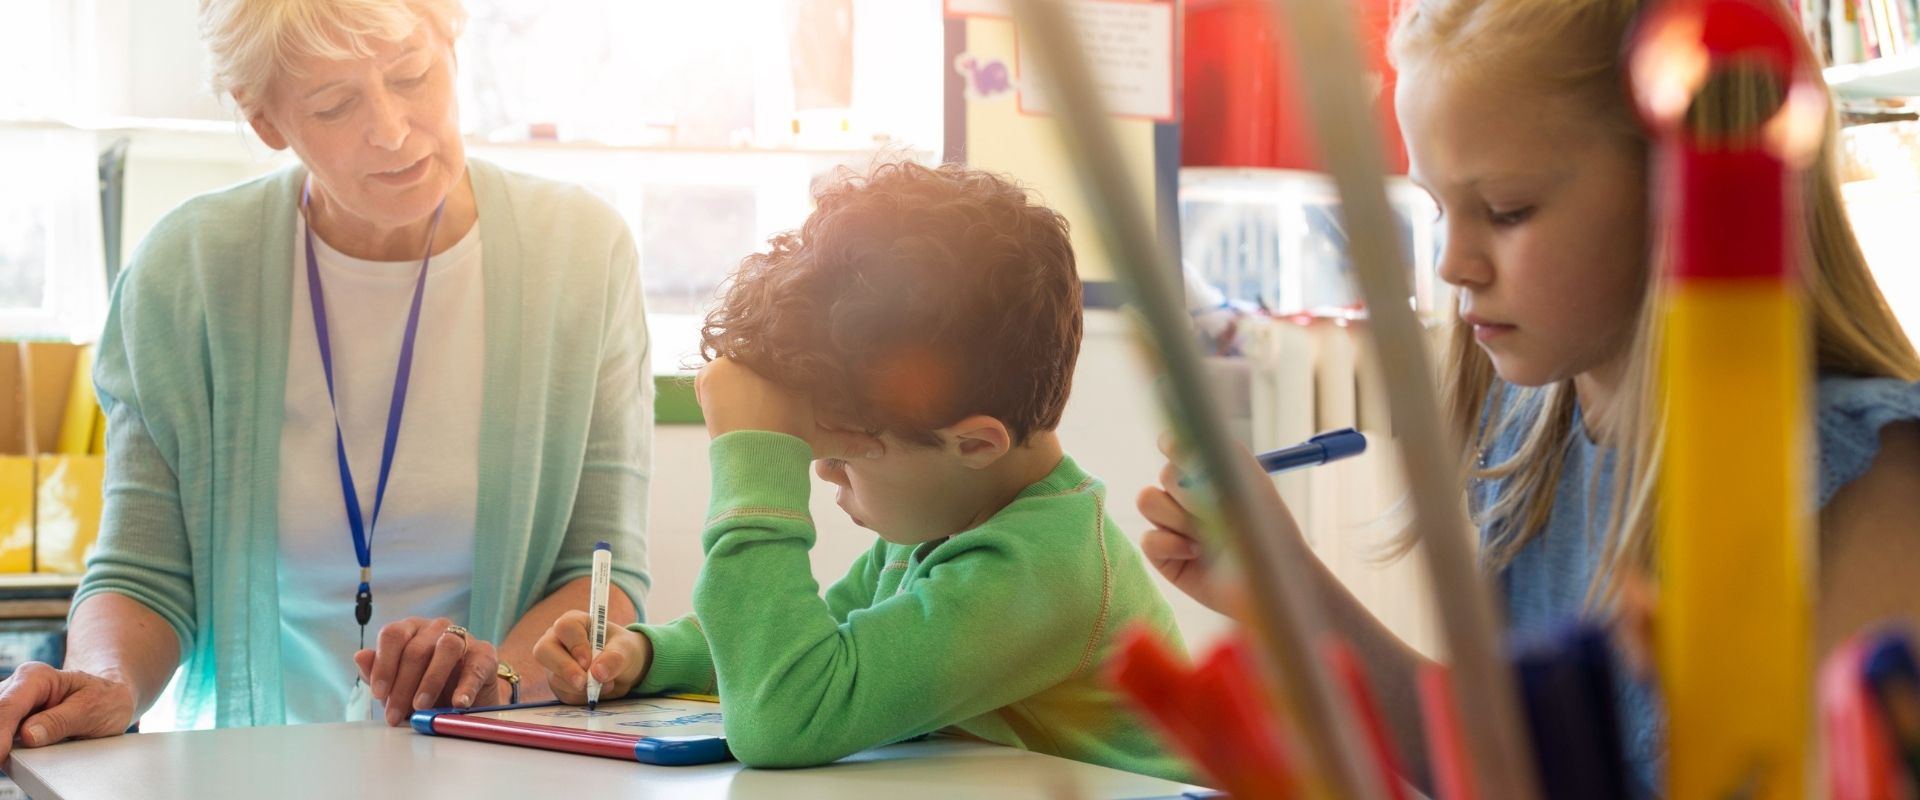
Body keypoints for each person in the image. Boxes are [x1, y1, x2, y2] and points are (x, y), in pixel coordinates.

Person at [1135, 0, 1920, 795]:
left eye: (1507, 209)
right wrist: (1284, 585)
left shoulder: (1868, 492)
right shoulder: (1532, 431)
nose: (1452, 264)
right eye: (1439, 210)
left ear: (1686, 188)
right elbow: (1501, 757)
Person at [0, 0, 653, 756]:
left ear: (453, 44)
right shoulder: (188, 270)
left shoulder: (580, 253)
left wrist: (492, 680)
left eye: (413, 74)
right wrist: (104, 680)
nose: (392, 128)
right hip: (249, 767)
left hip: (501, 768)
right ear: (266, 121)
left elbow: (604, 579)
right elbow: (144, 575)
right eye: (336, 103)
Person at [533, 162, 1189, 780]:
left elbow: (784, 716)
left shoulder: (1041, 568)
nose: (822, 475)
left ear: (975, 444)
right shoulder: (951, 522)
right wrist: (645, 655)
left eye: (840, 456)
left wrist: (754, 460)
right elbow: (812, 643)